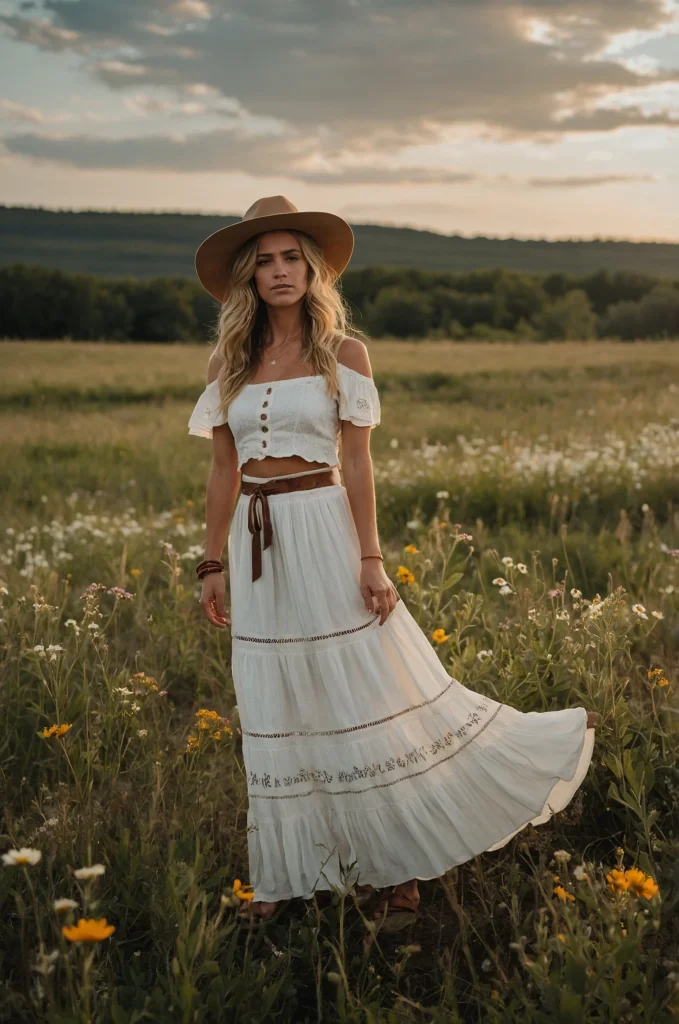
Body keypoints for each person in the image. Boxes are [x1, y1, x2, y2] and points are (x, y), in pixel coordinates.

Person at [188, 195, 601, 928]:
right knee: (275, 701)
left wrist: (371, 559)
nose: (280, 272)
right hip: (257, 548)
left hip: (323, 527)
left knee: (366, 691)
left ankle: (397, 869)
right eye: (265, 261)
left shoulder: (344, 353)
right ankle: (284, 877)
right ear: (247, 277)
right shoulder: (230, 361)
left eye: (292, 258)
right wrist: (210, 560)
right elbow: (225, 470)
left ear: (311, 270)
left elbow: (358, 463)